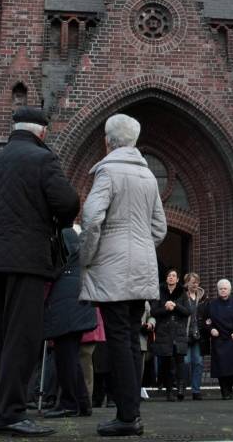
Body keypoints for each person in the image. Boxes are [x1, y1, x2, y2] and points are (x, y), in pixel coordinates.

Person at [0, 107, 80, 437]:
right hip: (27, 262)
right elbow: (68, 204)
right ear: (42, 133)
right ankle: (12, 414)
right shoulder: (42, 159)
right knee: (23, 338)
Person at [78, 113, 168, 438]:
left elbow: (90, 219)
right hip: (142, 266)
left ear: (107, 141)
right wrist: (141, 244)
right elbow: (160, 227)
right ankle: (131, 413)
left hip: (113, 268)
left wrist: (88, 257)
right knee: (130, 338)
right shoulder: (148, 177)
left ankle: (127, 416)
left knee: (117, 339)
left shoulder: (108, 172)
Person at [42, 225, 97, 419]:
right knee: (71, 356)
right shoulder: (81, 239)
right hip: (79, 299)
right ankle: (82, 403)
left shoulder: (62, 234)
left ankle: (69, 404)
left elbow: (54, 266)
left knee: (65, 357)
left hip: (66, 302)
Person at [151, 269, 188, 400]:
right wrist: (166, 308)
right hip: (164, 332)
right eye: (169, 276)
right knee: (167, 362)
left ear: (178, 279)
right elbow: (153, 311)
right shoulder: (159, 292)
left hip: (178, 332)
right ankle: (169, 391)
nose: (171, 278)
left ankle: (181, 389)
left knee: (180, 361)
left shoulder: (183, 293)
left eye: (174, 276)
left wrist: (175, 305)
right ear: (166, 278)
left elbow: (187, 311)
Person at [205, 279, 233, 399]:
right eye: (221, 288)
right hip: (220, 340)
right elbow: (206, 321)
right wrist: (211, 329)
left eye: (225, 288)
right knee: (222, 369)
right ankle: (226, 392)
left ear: (230, 289)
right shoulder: (212, 305)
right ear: (218, 290)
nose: (223, 290)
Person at [182, 272, 208, 400]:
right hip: (186, 333)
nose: (195, 285)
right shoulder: (182, 297)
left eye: (197, 282)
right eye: (192, 282)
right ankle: (182, 388)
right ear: (187, 283)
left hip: (198, 334)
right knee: (186, 362)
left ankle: (196, 390)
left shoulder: (203, 297)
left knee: (198, 362)